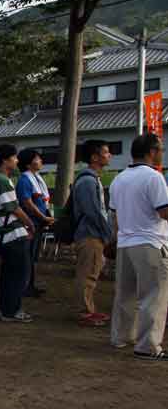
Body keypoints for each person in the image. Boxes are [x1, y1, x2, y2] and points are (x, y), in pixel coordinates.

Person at [109, 134, 168, 360]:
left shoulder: (119, 179)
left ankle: (121, 336)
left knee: (125, 294)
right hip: (151, 242)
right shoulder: (154, 178)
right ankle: (148, 345)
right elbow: (164, 211)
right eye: (160, 149)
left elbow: (114, 216)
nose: (162, 152)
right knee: (154, 295)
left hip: (125, 242)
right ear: (152, 151)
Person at [0, 144, 36, 323]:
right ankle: (12, 310)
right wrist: (30, 223)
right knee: (18, 274)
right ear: (5, 160)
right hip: (12, 233)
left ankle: (6, 307)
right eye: (14, 158)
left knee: (9, 273)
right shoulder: (1, 179)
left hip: (4, 233)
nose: (17, 161)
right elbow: (13, 207)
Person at [72, 140, 113, 326]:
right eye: (105, 152)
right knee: (88, 274)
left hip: (91, 233)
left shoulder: (90, 178)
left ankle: (88, 309)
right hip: (90, 234)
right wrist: (106, 232)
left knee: (90, 273)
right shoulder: (88, 180)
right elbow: (92, 211)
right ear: (94, 157)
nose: (109, 155)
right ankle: (85, 312)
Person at [15, 149, 54, 297]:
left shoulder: (36, 178)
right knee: (28, 255)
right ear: (29, 162)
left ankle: (30, 285)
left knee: (33, 255)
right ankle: (25, 286)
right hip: (31, 222)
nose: (41, 161)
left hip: (39, 222)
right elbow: (27, 202)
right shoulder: (25, 180)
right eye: (37, 158)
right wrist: (42, 217)